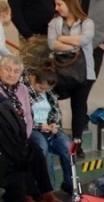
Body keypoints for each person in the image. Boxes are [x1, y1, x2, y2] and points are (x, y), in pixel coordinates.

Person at [0, 54, 62, 202]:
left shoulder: (22, 88)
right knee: (22, 155)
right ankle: (27, 195)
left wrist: (25, 137)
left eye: (16, 71)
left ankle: (46, 192)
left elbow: (28, 115)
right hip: (4, 137)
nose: (11, 74)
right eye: (7, 69)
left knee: (36, 151)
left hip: (21, 135)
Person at [47, 0, 96, 153]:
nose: (56, 8)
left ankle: (77, 143)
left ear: (69, 4)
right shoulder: (54, 23)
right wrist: (74, 45)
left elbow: (85, 39)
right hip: (60, 70)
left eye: (59, 4)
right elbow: (52, 44)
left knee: (79, 107)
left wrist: (62, 38)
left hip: (83, 71)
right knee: (53, 103)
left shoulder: (87, 22)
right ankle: (56, 139)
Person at [23, 64, 73, 194]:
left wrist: (54, 124)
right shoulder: (24, 91)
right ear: (33, 78)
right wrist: (39, 126)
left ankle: (69, 183)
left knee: (69, 148)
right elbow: (23, 116)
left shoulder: (49, 93)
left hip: (49, 127)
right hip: (32, 128)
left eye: (47, 89)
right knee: (42, 147)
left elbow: (56, 112)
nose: (43, 91)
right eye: (41, 87)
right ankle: (40, 189)